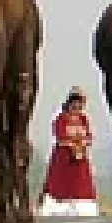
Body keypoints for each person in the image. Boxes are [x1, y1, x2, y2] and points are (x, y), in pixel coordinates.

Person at [39, 87, 99, 215]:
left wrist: (83, 144)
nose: (78, 105)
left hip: (80, 158)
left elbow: (89, 136)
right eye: (75, 101)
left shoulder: (84, 119)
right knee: (60, 185)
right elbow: (60, 137)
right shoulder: (61, 118)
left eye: (80, 102)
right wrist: (73, 145)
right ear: (70, 102)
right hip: (63, 158)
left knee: (80, 187)